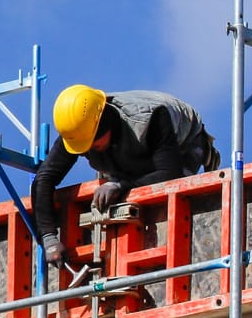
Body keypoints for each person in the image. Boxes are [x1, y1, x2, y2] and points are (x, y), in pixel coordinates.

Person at [33, 85, 217, 269]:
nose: (88, 150)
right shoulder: (79, 129)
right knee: (113, 194)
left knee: (163, 199)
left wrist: (121, 185)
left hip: (182, 145)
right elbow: (44, 179)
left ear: (105, 124)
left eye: (93, 144)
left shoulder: (152, 119)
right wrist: (48, 238)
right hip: (128, 154)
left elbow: (170, 175)